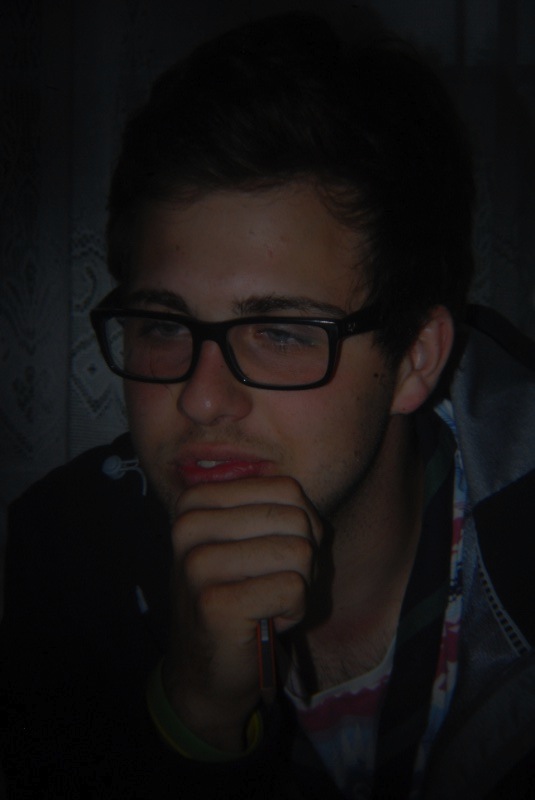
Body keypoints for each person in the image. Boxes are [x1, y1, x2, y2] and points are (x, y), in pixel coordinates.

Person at [1, 11, 534, 800]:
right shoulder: (54, 564)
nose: (199, 397)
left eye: (280, 332)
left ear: (413, 360)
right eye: (162, 326)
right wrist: (194, 720)